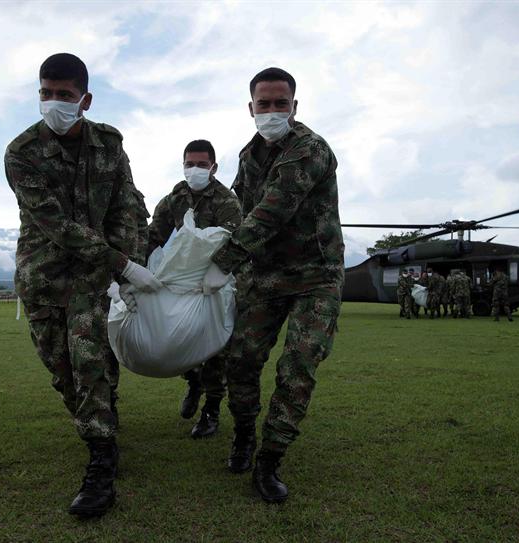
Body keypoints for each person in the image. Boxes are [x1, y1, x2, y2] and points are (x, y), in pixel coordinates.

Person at [5, 53, 159, 518]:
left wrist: (129, 262)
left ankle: (101, 458)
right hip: (44, 277)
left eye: (64, 95)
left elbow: (127, 205)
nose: (54, 103)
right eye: (46, 94)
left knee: (90, 360)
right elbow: (55, 224)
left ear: (85, 99)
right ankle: (100, 419)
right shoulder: (22, 152)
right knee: (62, 370)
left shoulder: (110, 144)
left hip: (92, 280)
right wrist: (124, 266)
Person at [201, 67, 344, 503]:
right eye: (264, 104)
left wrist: (223, 261)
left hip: (314, 279)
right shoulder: (248, 156)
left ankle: (270, 459)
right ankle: (244, 433)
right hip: (264, 277)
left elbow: (271, 211)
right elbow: (239, 209)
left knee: (296, 367)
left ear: (294, 106)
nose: (272, 111)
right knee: (241, 361)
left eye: (281, 103)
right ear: (251, 108)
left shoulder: (309, 150)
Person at [147, 140, 242, 438]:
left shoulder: (226, 202)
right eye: (190, 164)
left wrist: (219, 271)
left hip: (215, 282)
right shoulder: (173, 199)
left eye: (202, 164)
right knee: (174, 339)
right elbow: (154, 235)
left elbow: (236, 239)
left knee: (215, 348)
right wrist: (136, 270)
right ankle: (193, 380)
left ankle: (211, 411)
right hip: (181, 282)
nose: (195, 170)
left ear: (214, 167)